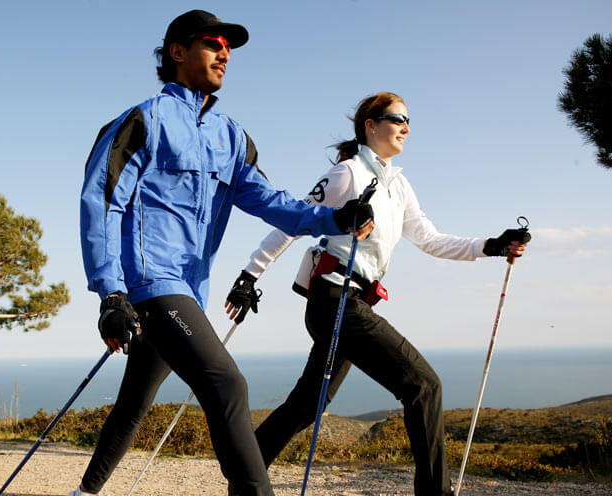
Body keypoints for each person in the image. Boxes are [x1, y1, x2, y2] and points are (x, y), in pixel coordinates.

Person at [75, 10, 372, 496]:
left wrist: (333, 219)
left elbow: (270, 201)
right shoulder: (142, 121)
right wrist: (110, 293)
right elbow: (100, 203)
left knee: (134, 401)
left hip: (190, 291)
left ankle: (84, 493)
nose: (224, 53)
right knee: (227, 384)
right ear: (176, 51)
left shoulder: (231, 136)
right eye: (213, 43)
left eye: (228, 47)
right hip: (150, 285)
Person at [224, 91, 530, 496]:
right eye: (395, 118)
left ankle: (245, 477)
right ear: (370, 126)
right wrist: (249, 276)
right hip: (335, 300)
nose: (405, 125)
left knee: (307, 403)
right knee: (423, 385)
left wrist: (491, 245)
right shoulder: (347, 173)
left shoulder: (398, 184)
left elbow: (431, 240)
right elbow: (291, 222)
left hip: (352, 303)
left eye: (408, 120)